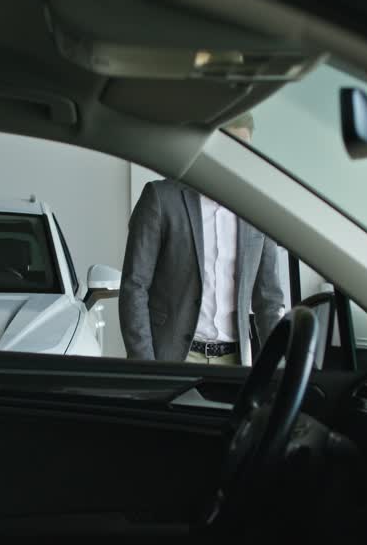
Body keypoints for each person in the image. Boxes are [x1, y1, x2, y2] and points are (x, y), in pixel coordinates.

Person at [119, 113, 286, 365]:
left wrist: (278, 366)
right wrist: (145, 365)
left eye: (245, 150)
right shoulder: (161, 198)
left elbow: (269, 299)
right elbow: (135, 286)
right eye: (232, 148)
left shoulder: (257, 209)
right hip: (171, 359)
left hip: (235, 361)